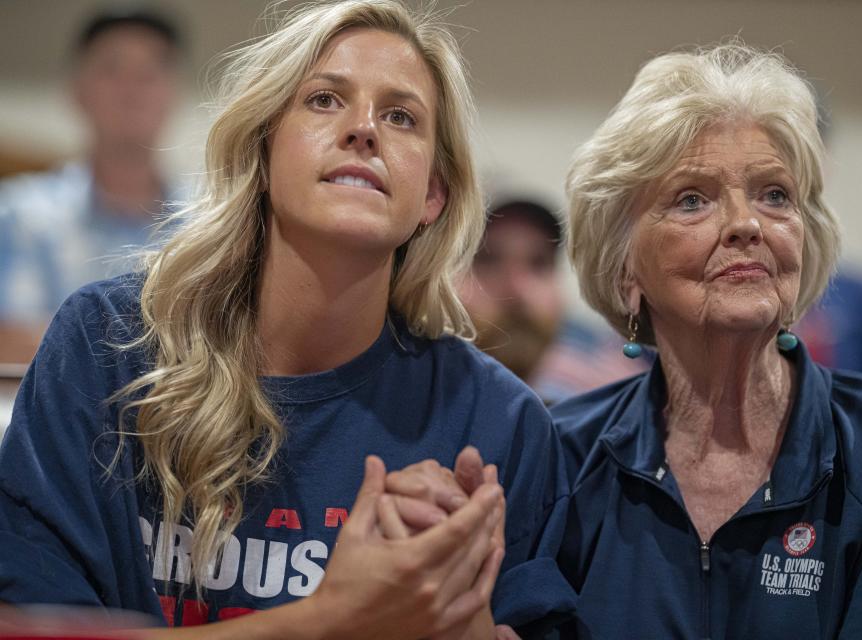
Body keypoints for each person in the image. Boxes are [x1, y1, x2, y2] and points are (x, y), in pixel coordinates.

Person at [0, 2, 571, 638]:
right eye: (325, 100)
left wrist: (457, 615)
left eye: (401, 116)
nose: (364, 130)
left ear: (432, 195)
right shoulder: (107, 346)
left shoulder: (500, 425)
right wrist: (332, 619)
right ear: (263, 151)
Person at [525, 43, 862, 638]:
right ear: (626, 271)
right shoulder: (558, 458)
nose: (746, 224)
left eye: (774, 194)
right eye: (692, 199)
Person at [0, 7, 181, 363]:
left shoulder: (211, 218)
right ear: (77, 90)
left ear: (172, 93)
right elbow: (10, 336)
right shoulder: (20, 212)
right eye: (112, 69)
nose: (131, 89)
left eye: (149, 72)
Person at [460, 199, 648, 405]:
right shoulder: (425, 398)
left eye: (539, 263)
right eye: (490, 260)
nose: (516, 289)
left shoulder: (615, 399)